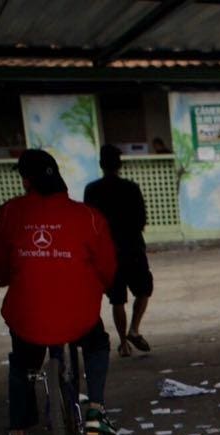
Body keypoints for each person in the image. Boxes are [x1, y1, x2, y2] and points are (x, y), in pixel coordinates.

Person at [0, 149, 117, 435]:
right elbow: (108, 269)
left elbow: (0, 271)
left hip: (28, 316)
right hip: (79, 313)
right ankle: (96, 410)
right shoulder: (87, 216)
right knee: (97, 343)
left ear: (26, 180)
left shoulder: (9, 214)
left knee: (22, 364)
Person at [84, 144, 154, 357]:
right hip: (132, 248)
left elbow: (90, 223)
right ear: (120, 164)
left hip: (107, 252)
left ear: (100, 165)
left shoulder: (92, 190)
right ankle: (134, 328)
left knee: (117, 299)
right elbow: (141, 219)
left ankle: (123, 343)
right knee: (143, 290)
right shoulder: (131, 188)